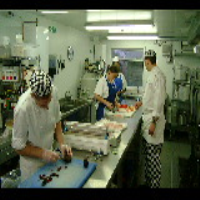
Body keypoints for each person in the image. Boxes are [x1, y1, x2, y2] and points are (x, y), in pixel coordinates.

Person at [12, 70, 73, 182]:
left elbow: (57, 120)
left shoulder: (53, 91)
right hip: (32, 166)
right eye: (44, 104)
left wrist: (62, 144)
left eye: (50, 100)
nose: (48, 106)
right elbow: (18, 146)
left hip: (50, 161)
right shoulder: (23, 109)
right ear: (34, 96)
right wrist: (43, 153)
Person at [135, 50, 166, 188]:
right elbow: (150, 96)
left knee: (153, 156)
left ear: (148, 61)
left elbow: (159, 100)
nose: (145, 65)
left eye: (145, 63)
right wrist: (142, 102)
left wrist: (154, 121)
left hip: (154, 121)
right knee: (149, 154)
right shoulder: (152, 75)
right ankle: (148, 183)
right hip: (148, 119)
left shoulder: (157, 75)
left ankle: (154, 185)